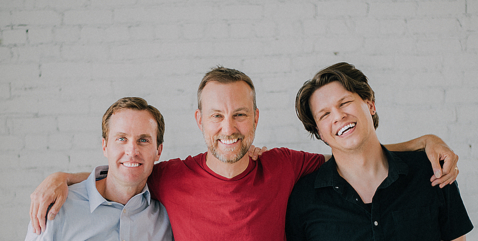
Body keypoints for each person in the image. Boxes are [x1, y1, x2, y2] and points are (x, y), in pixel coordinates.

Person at [29, 67, 459, 241]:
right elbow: (127, 170)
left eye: (239, 115)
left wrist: (422, 142)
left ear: (255, 118)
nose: (228, 128)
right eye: (216, 116)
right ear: (199, 120)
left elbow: (351, 150)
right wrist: (65, 177)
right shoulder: (172, 176)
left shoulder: (287, 165)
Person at [286, 62, 473, 241]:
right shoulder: (304, 198)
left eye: (344, 103)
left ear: (370, 105)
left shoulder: (431, 172)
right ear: (320, 133)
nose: (338, 116)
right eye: (325, 114)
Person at [25, 97, 173, 241]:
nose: (132, 151)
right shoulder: (57, 209)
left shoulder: (168, 215)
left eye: (143, 140)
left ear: (158, 151)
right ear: (105, 146)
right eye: (121, 139)